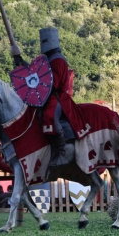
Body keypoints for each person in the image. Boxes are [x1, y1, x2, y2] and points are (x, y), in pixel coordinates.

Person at [35, 27, 90, 166]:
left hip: (57, 96)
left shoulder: (58, 60)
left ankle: (61, 149)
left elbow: (54, 83)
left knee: (50, 116)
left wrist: (41, 88)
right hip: (45, 95)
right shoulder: (45, 59)